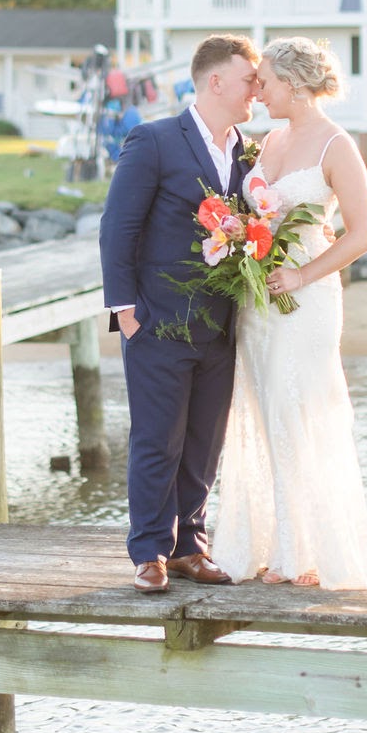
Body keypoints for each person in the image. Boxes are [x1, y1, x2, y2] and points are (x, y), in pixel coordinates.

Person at [212, 37, 367, 591]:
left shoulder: (336, 145)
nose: (258, 90)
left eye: (264, 81)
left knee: (301, 409)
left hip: (306, 297)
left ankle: (309, 553)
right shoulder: (268, 142)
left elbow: (363, 234)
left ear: (291, 83)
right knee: (265, 409)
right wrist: (240, 236)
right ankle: (275, 545)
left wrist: (301, 275)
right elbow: (255, 211)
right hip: (260, 298)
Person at [98, 34, 261, 594]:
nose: (256, 91)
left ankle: (191, 544)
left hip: (221, 324)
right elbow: (118, 227)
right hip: (156, 323)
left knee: (204, 443)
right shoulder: (155, 140)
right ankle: (148, 551)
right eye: (249, 80)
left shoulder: (249, 152)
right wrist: (125, 313)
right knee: (156, 440)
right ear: (215, 81)